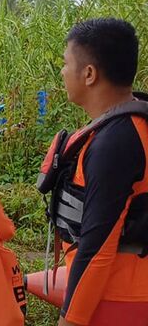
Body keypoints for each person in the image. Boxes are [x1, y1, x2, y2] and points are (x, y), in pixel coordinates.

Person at [36, 18, 148, 326]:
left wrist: (71, 319)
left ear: (89, 74)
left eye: (65, 62)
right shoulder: (131, 123)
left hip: (120, 300)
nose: (62, 71)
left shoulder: (116, 142)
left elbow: (98, 246)